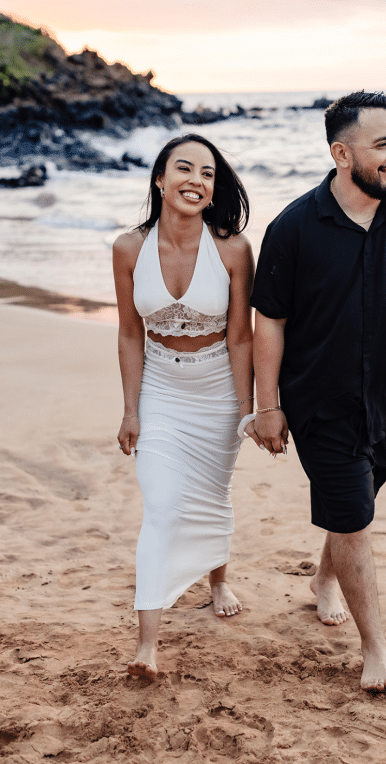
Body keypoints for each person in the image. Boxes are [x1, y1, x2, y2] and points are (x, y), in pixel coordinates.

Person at [250, 90, 386, 694]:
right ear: (342, 154)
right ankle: (376, 652)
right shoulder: (292, 228)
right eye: (382, 145)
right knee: (352, 519)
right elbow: (271, 322)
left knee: (353, 509)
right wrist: (268, 405)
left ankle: (323, 580)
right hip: (320, 403)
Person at [113, 134, 257, 680]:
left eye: (209, 173)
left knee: (211, 495)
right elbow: (129, 333)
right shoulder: (128, 248)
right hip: (161, 392)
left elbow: (242, 337)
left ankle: (217, 579)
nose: (197, 180)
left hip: (218, 387)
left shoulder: (233, 249)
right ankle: (147, 644)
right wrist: (131, 410)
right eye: (184, 168)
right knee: (164, 507)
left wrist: (248, 408)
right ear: (160, 179)